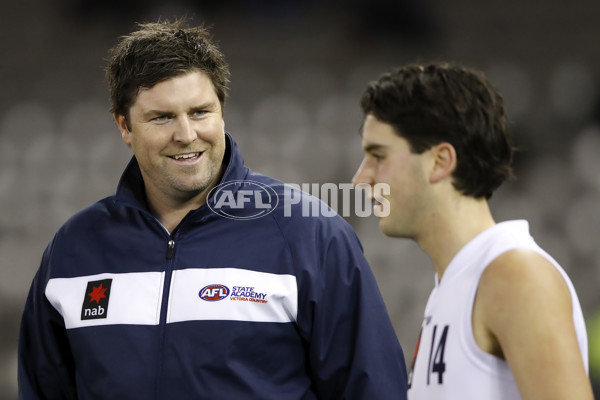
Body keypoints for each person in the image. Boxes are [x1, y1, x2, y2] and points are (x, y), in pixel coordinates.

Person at [18, 19, 408, 399]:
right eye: (162, 117)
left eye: (200, 112)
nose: (186, 134)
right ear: (124, 126)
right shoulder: (73, 249)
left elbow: (373, 388)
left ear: (222, 112)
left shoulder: (311, 234)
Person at [352, 62, 593, 399]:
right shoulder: (457, 283)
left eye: (378, 155)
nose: (361, 178)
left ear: (440, 161)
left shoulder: (515, 276)